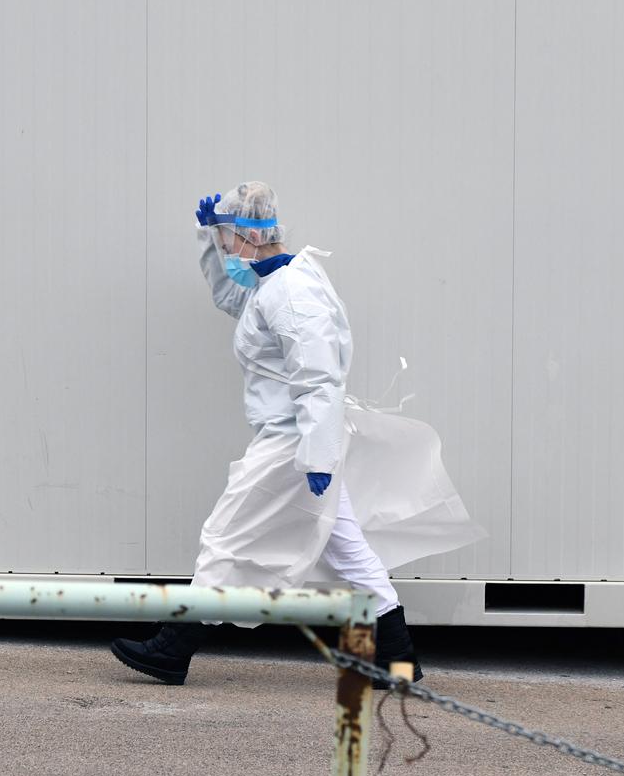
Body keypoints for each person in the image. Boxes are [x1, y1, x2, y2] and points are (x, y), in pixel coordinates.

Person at [111, 181, 483, 686]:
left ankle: (172, 649)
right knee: (348, 549)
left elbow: (319, 379)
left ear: (249, 237)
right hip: (298, 438)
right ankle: (398, 660)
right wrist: (205, 236)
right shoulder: (272, 281)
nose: (225, 252)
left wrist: (318, 459)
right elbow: (229, 296)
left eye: (225, 241)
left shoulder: (293, 293)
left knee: (225, 538)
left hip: (294, 443)